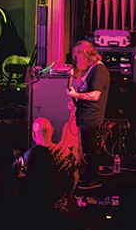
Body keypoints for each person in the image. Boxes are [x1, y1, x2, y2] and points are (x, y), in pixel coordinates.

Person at [67, 40, 110, 189]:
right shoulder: (91, 69)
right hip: (85, 114)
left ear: (84, 55)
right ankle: (90, 174)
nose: (77, 60)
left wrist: (76, 95)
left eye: (78, 57)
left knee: (90, 148)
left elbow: (95, 95)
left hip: (92, 115)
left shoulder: (99, 70)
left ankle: (93, 178)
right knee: (87, 147)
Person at [16, 117, 79, 215]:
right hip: (60, 210)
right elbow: (74, 178)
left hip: (35, 210)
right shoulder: (67, 154)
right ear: (52, 131)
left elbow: (14, 179)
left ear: (34, 134)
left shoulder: (27, 157)